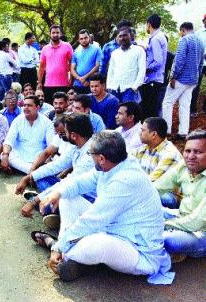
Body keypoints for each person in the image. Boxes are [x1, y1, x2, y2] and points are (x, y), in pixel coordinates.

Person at [38, 131, 174, 285]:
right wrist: (58, 193)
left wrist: (58, 247)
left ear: (101, 158)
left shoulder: (124, 180)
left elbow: (92, 220)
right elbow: (81, 182)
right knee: (67, 198)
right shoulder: (114, 163)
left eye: (91, 153)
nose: (90, 155)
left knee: (97, 244)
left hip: (137, 250)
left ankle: (58, 248)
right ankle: (74, 255)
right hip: (114, 229)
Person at [17, 113, 95, 217]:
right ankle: (48, 202)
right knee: (41, 178)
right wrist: (28, 177)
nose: (63, 135)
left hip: (89, 198)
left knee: (65, 197)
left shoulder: (91, 154)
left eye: (65, 132)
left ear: (74, 135)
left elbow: (70, 183)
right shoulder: (77, 145)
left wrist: (33, 201)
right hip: (74, 188)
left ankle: (50, 207)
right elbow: (56, 165)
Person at [154, 129, 205, 260]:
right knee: (149, 211)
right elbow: (156, 188)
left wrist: (162, 223)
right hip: (180, 216)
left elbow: (196, 223)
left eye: (198, 152)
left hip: (201, 232)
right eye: (188, 151)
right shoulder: (183, 166)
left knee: (170, 241)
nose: (191, 156)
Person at [162, 22, 204, 139]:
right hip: (193, 80)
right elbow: (201, 63)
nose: (180, 34)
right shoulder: (200, 42)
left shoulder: (184, 40)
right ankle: (183, 132)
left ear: (183, 30)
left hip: (181, 79)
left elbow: (179, 60)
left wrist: (173, 77)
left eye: (180, 31)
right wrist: (197, 76)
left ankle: (166, 130)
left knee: (167, 103)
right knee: (185, 105)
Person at [1, 95, 54, 174]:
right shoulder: (18, 120)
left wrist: (47, 158)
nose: (26, 108)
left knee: (54, 157)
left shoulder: (47, 122)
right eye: (24, 105)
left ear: (37, 108)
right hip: (20, 157)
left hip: (39, 158)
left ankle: (31, 171)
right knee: (3, 154)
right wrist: (5, 156)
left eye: (29, 105)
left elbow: (51, 145)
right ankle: (35, 172)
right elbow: (9, 140)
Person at [134, 117, 182, 181]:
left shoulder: (170, 154)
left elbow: (150, 183)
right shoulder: (143, 149)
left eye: (143, 130)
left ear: (154, 134)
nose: (139, 133)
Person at [107, 27, 146, 104]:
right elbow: (111, 71)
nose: (122, 38)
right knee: (116, 114)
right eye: (120, 36)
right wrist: (109, 87)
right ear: (117, 38)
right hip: (115, 89)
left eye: (125, 35)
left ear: (130, 36)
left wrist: (134, 87)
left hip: (130, 90)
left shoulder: (139, 51)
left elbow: (142, 70)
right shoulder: (115, 53)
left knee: (129, 114)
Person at [139, 14, 167, 120]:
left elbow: (157, 61)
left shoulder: (156, 39)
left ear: (149, 24)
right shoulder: (160, 36)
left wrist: (144, 69)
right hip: (155, 78)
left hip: (153, 79)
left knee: (149, 111)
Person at [38, 25, 73, 104]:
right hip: (48, 84)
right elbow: (42, 67)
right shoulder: (45, 48)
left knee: (63, 107)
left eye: (57, 32)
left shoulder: (67, 46)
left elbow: (72, 64)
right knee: (50, 107)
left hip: (64, 84)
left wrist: (71, 78)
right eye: (53, 33)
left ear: (60, 34)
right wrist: (39, 82)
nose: (55, 34)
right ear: (50, 34)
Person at [71, 29, 102, 94]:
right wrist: (80, 79)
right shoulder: (76, 51)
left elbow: (97, 66)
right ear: (79, 40)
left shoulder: (96, 49)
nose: (84, 40)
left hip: (91, 84)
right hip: (77, 84)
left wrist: (85, 78)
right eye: (81, 39)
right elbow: (72, 69)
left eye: (85, 38)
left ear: (89, 38)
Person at [191, 15, 206, 114]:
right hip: (199, 63)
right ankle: (192, 109)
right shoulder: (198, 33)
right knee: (195, 86)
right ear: (203, 21)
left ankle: (205, 108)